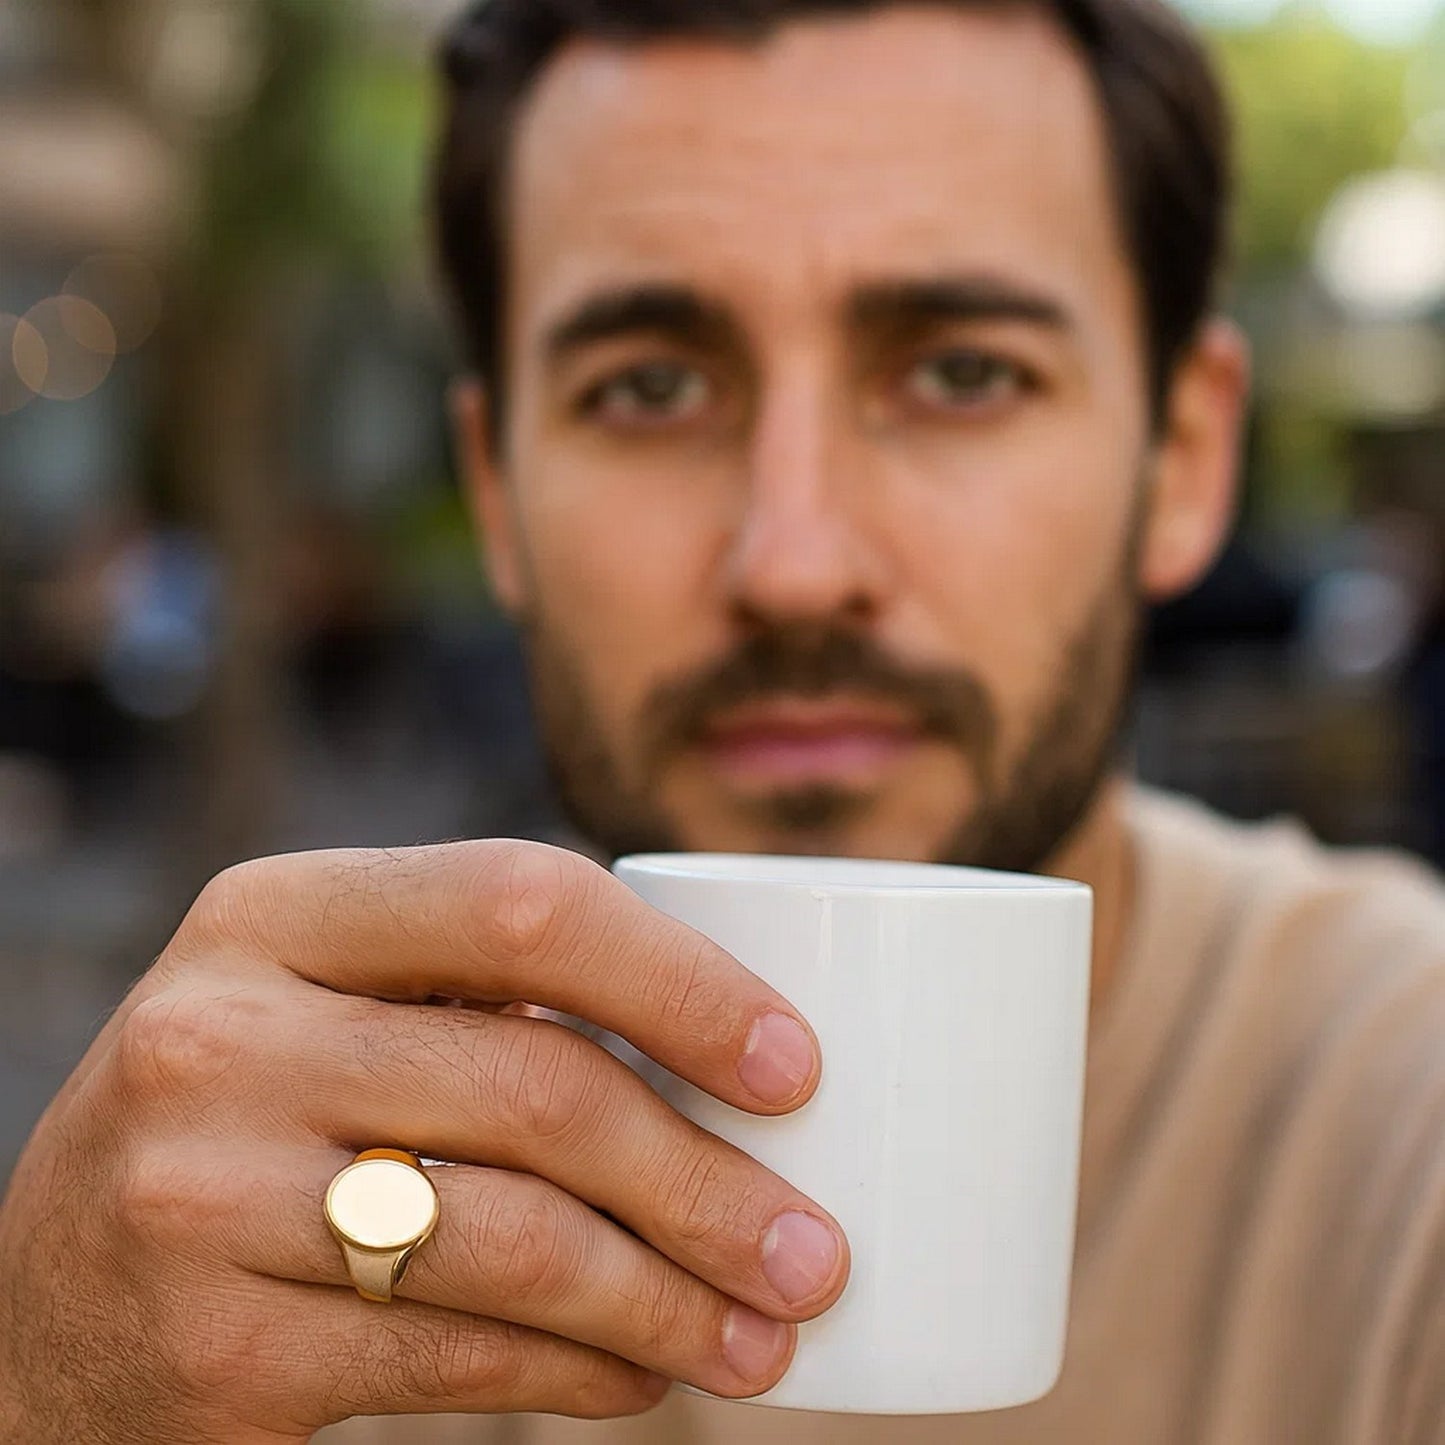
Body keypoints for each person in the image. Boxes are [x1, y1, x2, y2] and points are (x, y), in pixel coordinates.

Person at [3, 1, 1445, 1441]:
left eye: (960, 373)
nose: (793, 561)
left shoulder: (1402, 1116)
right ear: (498, 492)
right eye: (649, 388)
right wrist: (52, 1388)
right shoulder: (264, 1207)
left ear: (1182, 460)